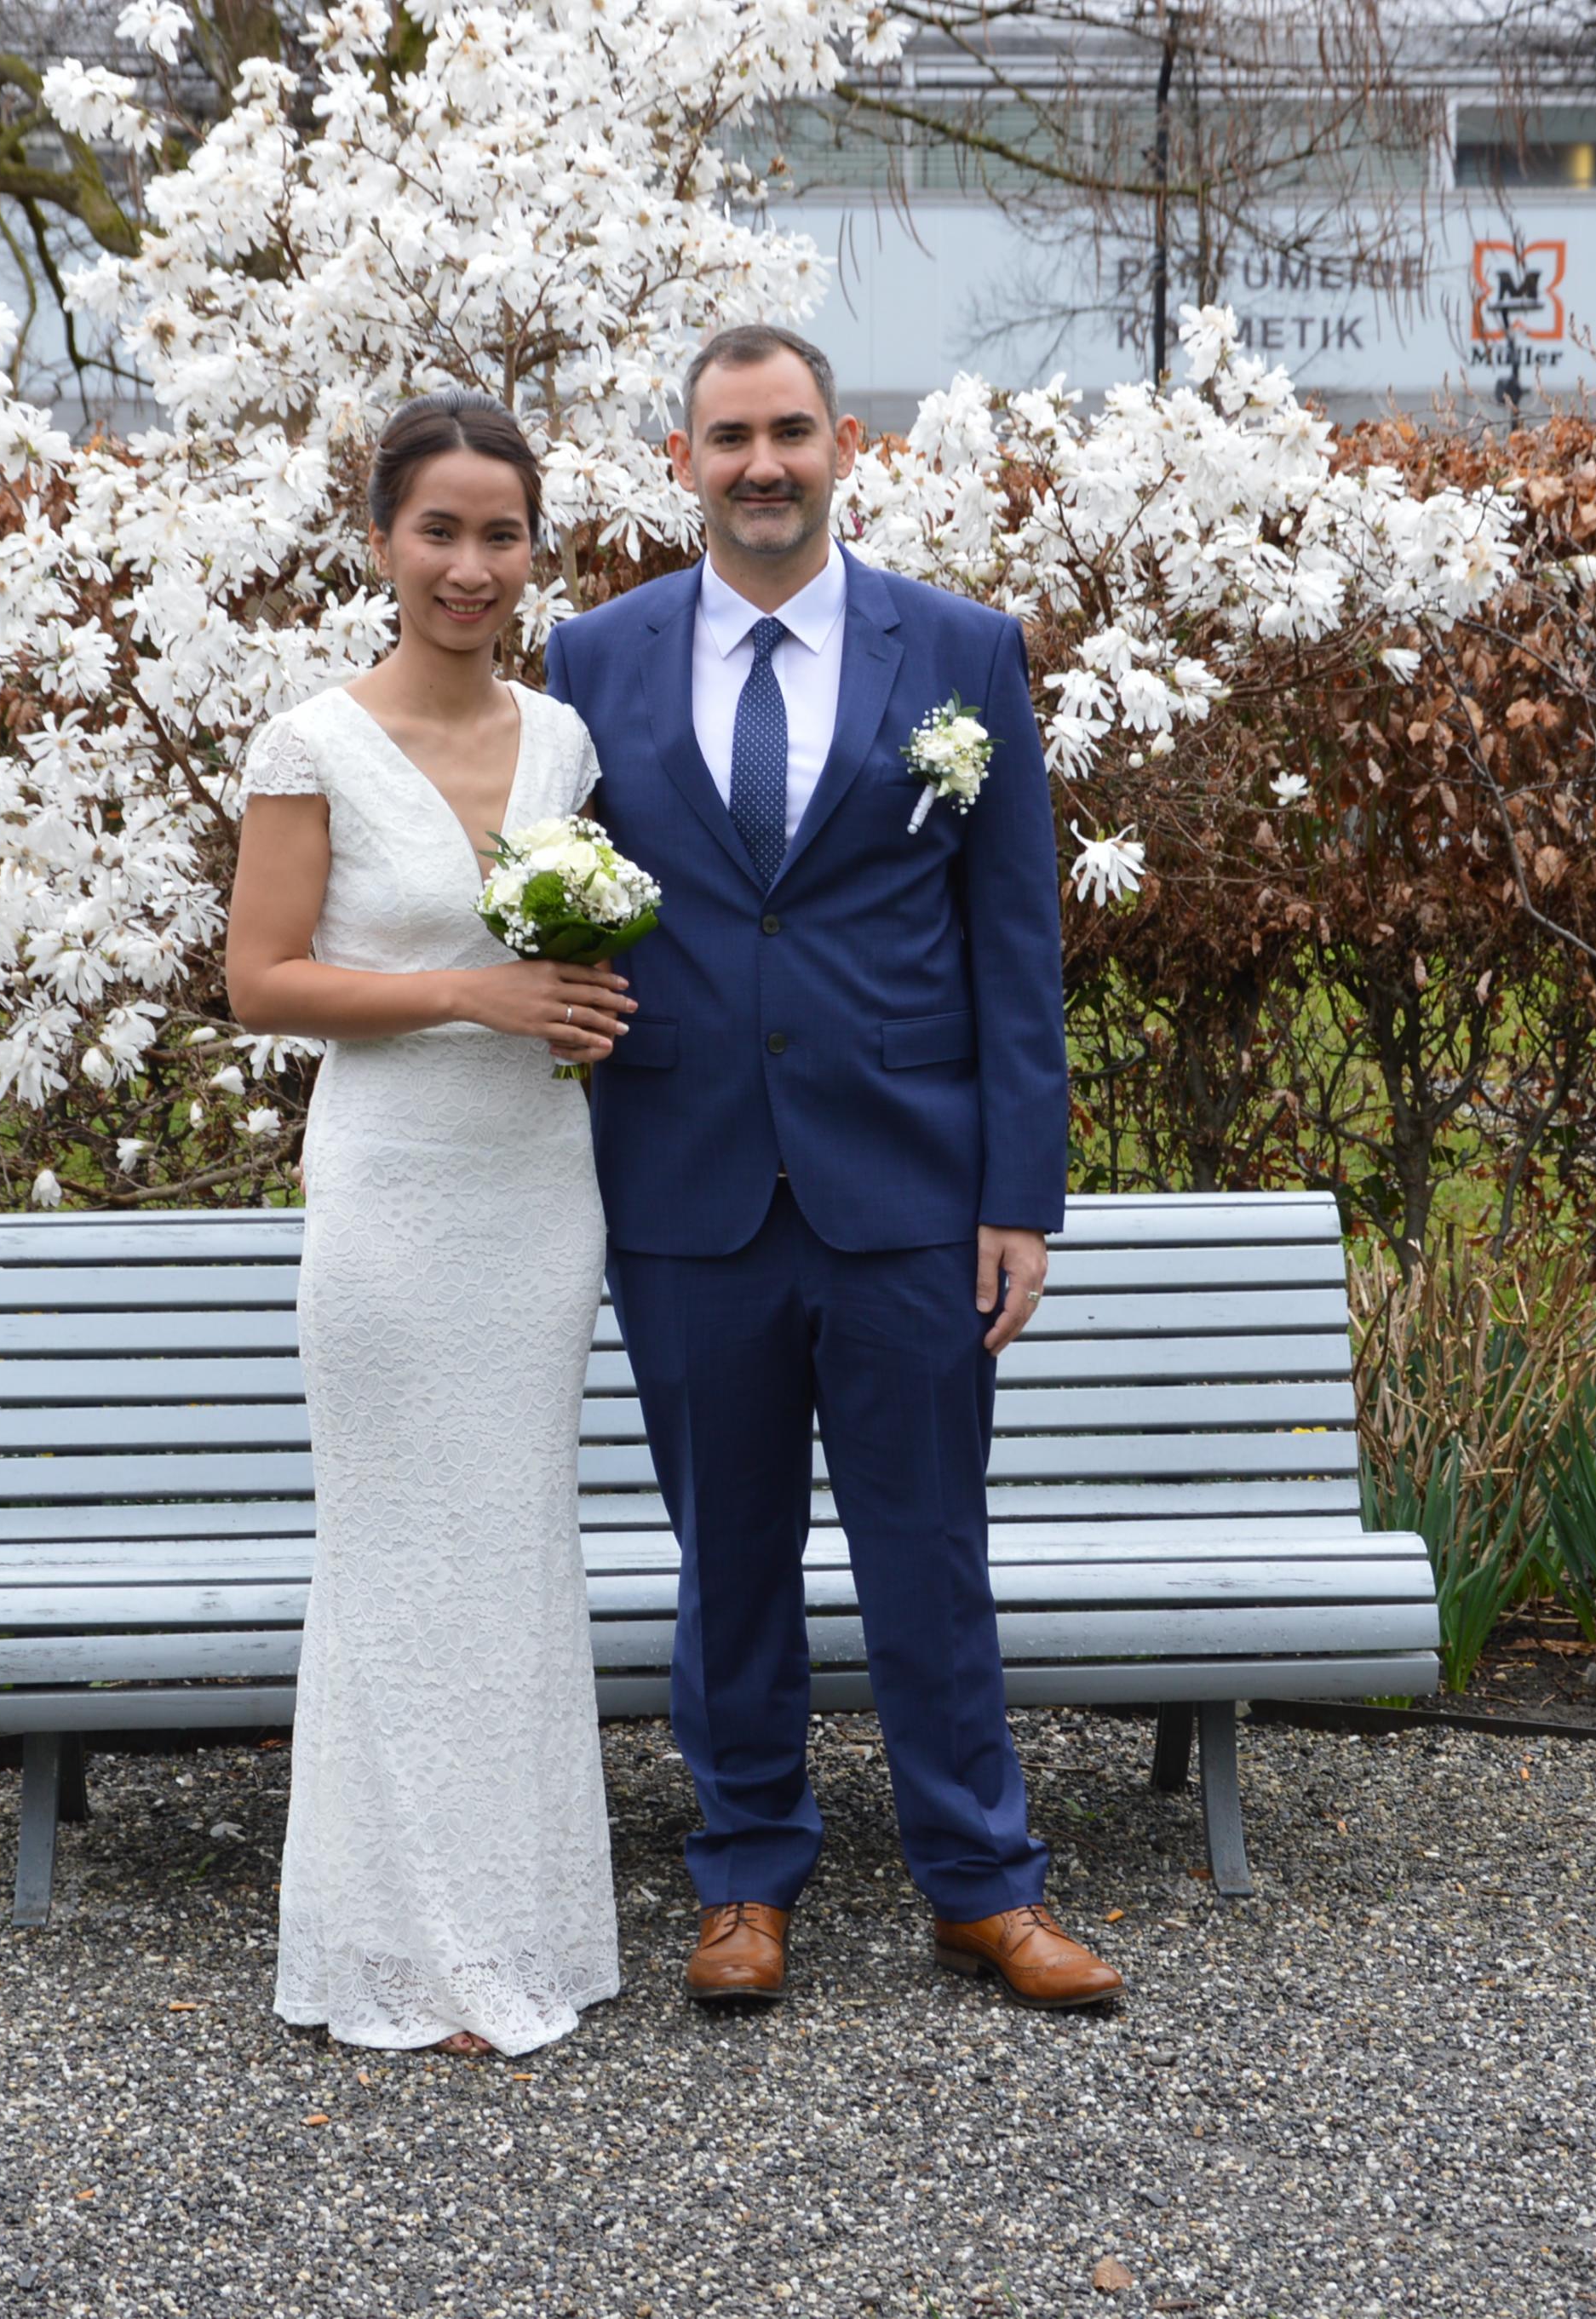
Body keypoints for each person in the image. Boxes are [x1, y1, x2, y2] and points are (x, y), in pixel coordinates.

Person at [544, 324, 1122, 2011]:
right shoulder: (592, 660)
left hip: (909, 1193)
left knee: (927, 1551)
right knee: (723, 1562)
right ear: (680, 462)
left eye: (789, 432)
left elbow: (1013, 944)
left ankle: (982, 1884)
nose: (762, 465)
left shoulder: (957, 649)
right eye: (728, 438)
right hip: (687, 1186)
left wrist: (1018, 1196)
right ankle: (742, 1880)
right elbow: (556, 896)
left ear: (843, 444)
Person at [224, 388, 634, 2057]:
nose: (471, 566)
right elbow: (262, 982)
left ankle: (518, 1927)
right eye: (440, 532)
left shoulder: (565, 742)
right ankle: (395, 1947)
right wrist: (473, 992)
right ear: (383, 542)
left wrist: (581, 1005)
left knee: (515, 1550)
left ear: (534, 551)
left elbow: (576, 951)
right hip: (392, 1194)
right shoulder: (309, 744)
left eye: (501, 535)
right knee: (398, 1556)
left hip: (536, 1191)